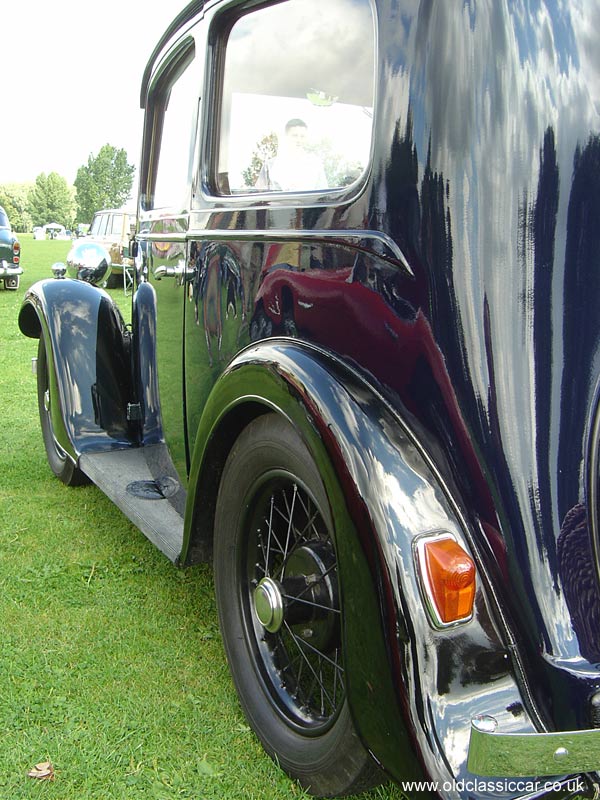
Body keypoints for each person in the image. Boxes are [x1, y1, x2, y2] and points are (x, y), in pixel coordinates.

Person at [255, 119, 327, 192]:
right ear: (286, 137)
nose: (299, 140)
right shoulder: (271, 165)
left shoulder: (315, 164)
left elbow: (324, 195)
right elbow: (260, 194)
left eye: (302, 136)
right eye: (295, 136)